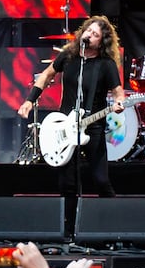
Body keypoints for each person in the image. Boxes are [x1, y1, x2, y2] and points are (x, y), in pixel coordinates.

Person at [17, 16, 125, 209]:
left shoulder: (106, 64)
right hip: (66, 124)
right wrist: (29, 100)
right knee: (67, 183)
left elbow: (118, 92)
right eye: (88, 31)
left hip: (93, 126)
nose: (89, 36)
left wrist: (119, 103)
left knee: (100, 180)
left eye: (95, 35)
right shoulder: (68, 56)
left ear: (102, 41)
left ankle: (111, 221)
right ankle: (68, 228)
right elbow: (46, 75)